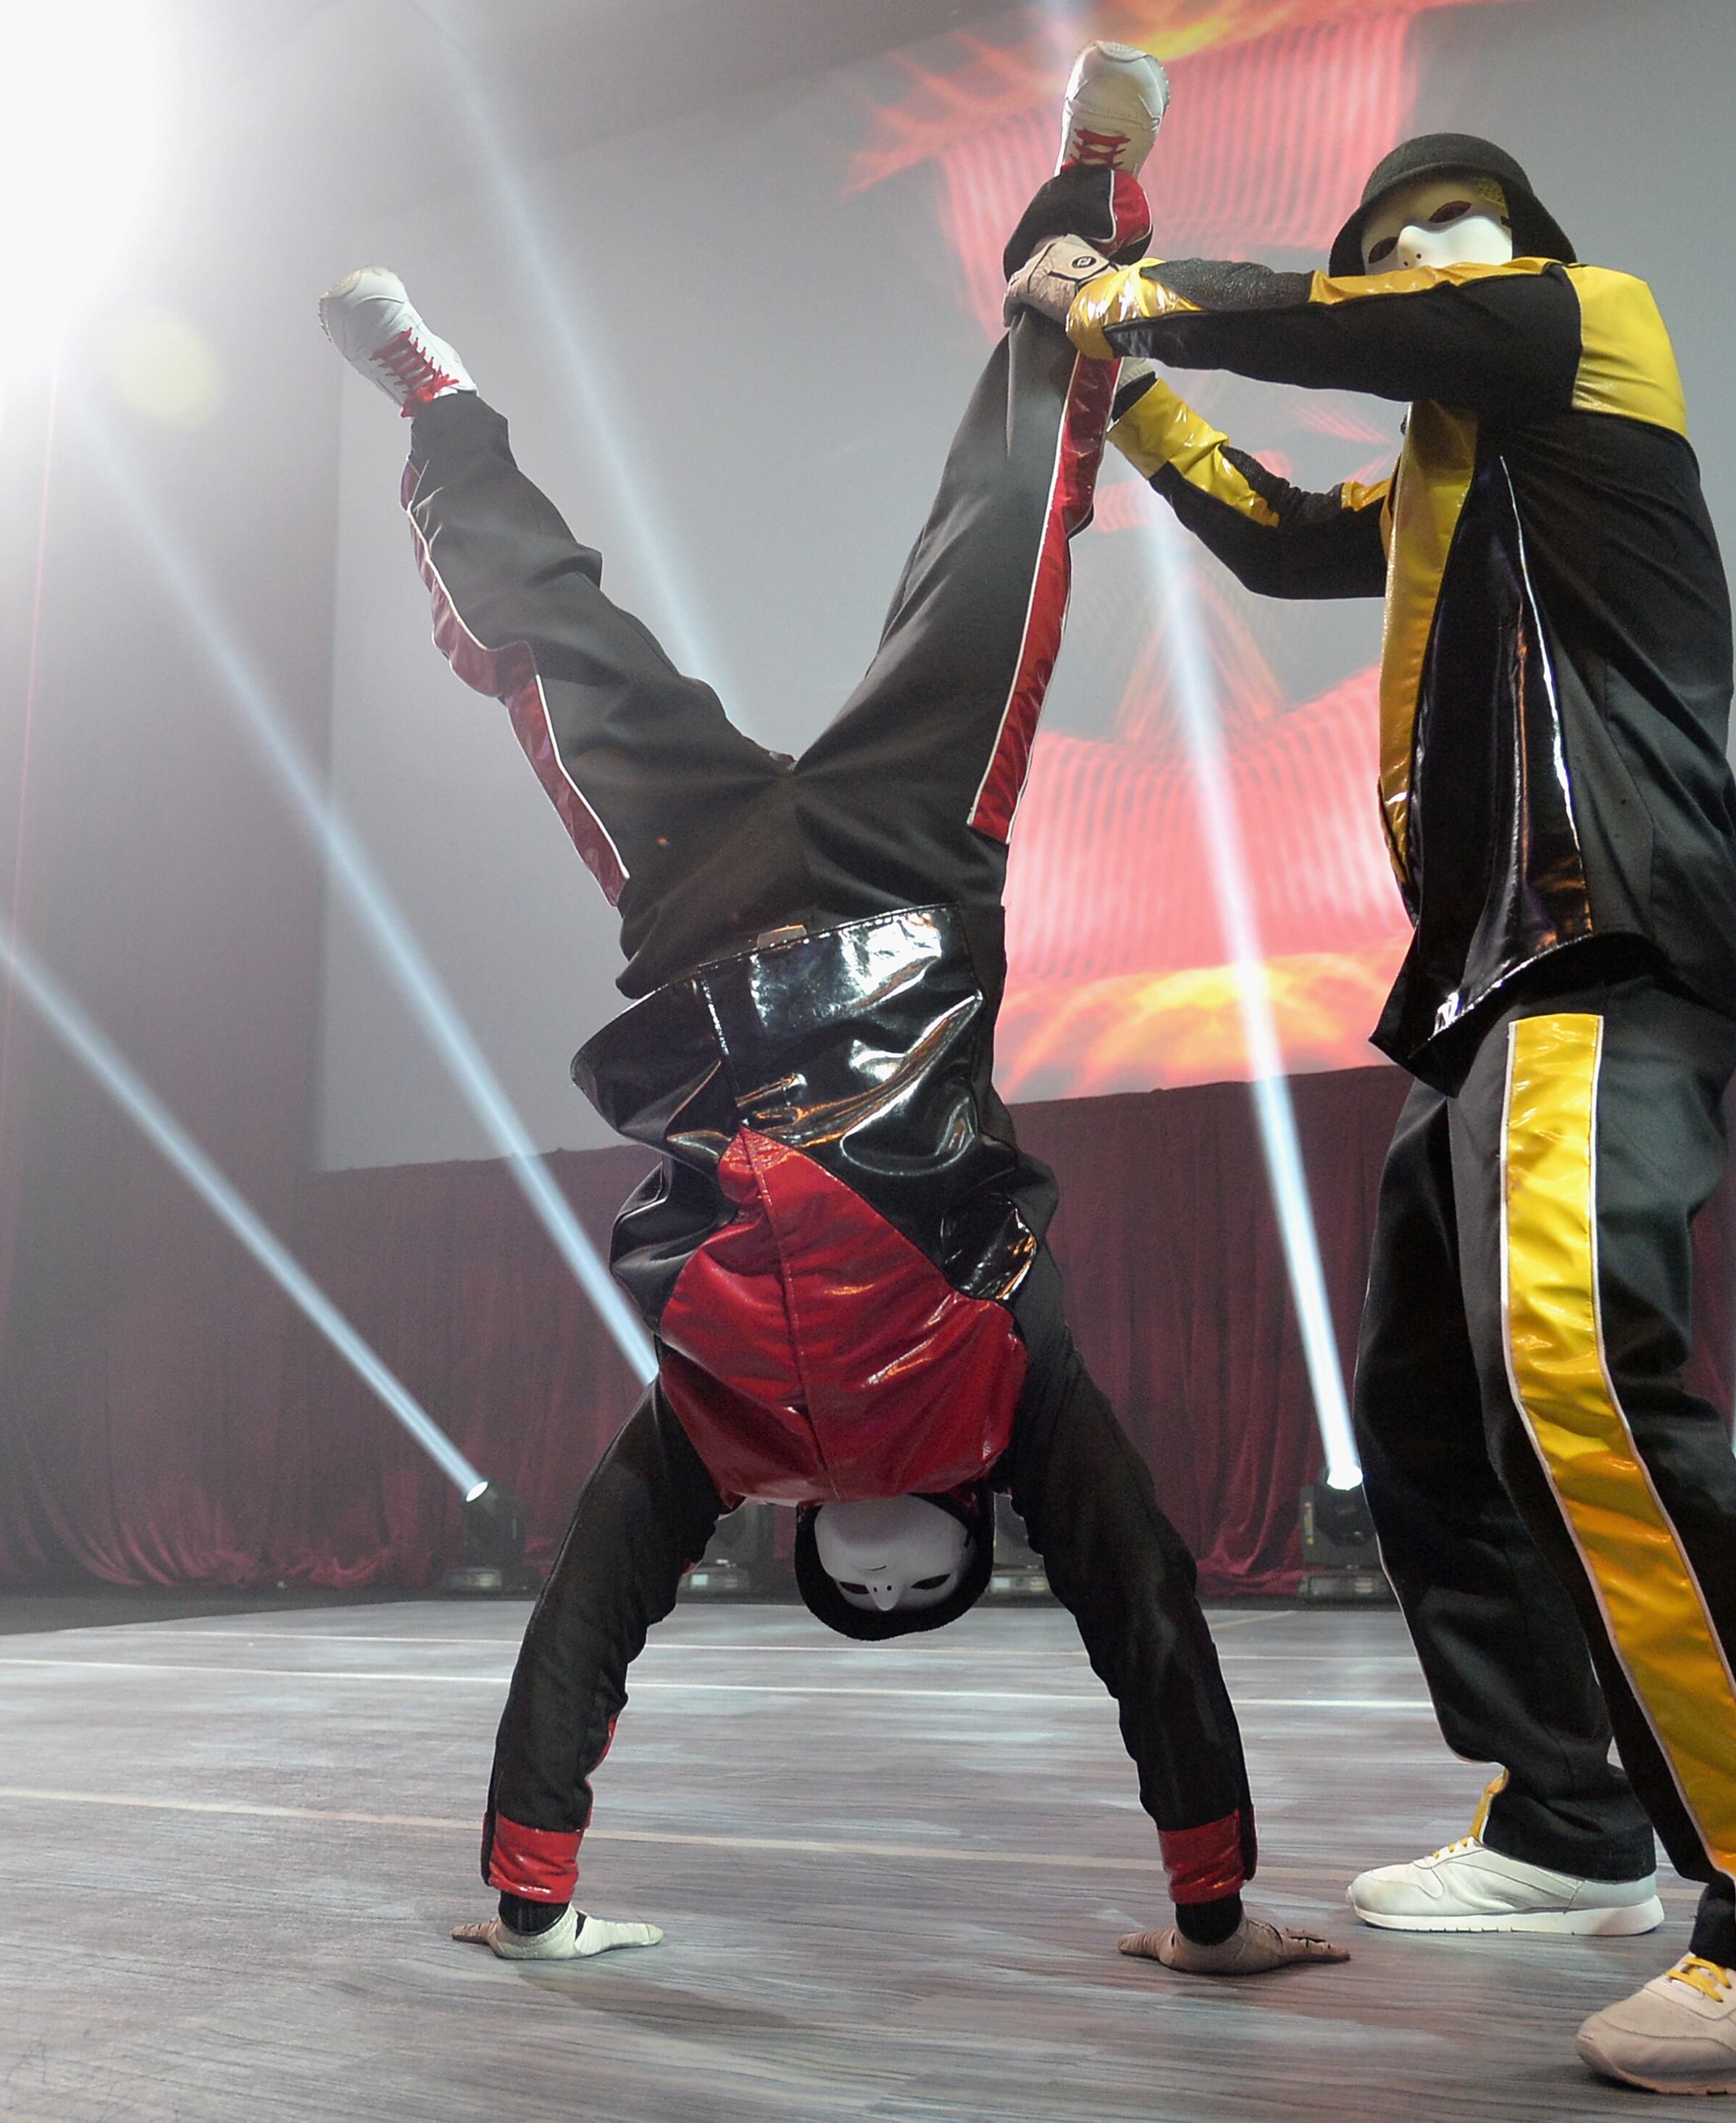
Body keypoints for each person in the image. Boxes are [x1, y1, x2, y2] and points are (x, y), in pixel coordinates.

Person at [317, 45, 1342, 1982]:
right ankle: (441, 409)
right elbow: (595, 1620)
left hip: (873, 881)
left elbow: (1141, 1597)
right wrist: (526, 1890)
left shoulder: (987, 1391)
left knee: (994, 537)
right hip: (737, 909)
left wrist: (1216, 1894)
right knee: (592, 647)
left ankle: (1090, 193)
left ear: (965, 1509)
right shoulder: (721, 1430)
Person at [1010, 134, 1736, 2090]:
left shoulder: (1585, 336)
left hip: (1597, 942)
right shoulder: (1449, 473)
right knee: (1430, 1408)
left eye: (1456, 235)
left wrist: (1120, 291)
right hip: (1482, 992)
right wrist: (1125, 388)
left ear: (1520, 265)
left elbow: (1389, 320)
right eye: (1394, 241)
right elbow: (1277, 530)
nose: (1426, 261)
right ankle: (1567, 1816)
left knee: (1581, 1377)